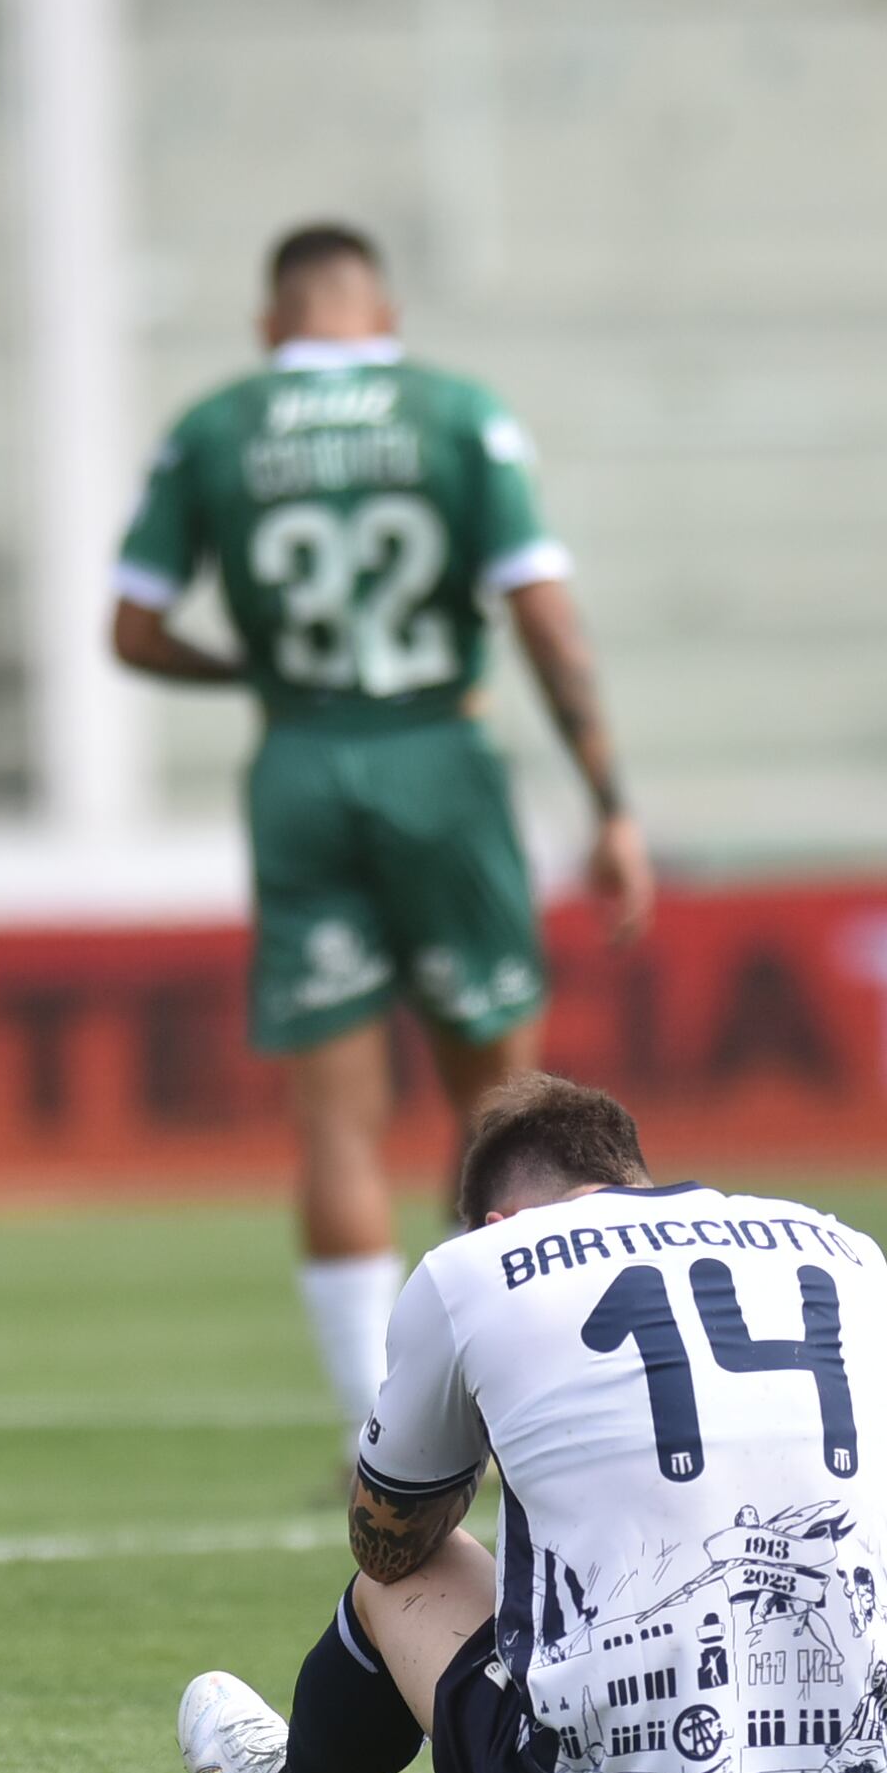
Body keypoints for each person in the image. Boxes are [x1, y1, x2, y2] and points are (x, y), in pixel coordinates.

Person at [112, 223, 652, 1467]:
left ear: (269, 326)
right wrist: (608, 800)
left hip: (302, 764)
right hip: (440, 763)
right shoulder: (455, 414)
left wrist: (252, 663)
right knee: (504, 1114)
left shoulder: (213, 429)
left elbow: (132, 629)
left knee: (335, 1128)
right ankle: (530, 1410)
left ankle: (381, 1442)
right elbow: (542, 615)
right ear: (384, 311)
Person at [173, 1073, 887, 1773]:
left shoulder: (475, 1266)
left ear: (496, 1223)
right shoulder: (841, 1244)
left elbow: (385, 1537)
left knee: (402, 1577)